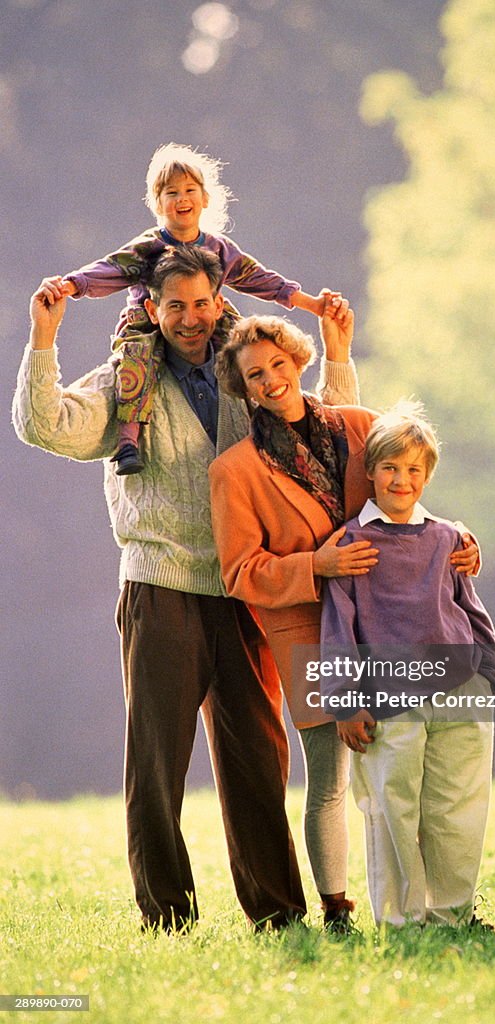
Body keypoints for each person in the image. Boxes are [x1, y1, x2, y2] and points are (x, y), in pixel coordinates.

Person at [12, 245, 358, 934]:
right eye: (176, 306)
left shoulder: (245, 376)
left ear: (219, 300)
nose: (193, 318)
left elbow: (327, 435)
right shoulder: (125, 383)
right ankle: (166, 916)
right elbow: (45, 426)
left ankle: (278, 913)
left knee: (257, 756)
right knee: (156, 759)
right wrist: (43, 340)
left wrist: (337, 352)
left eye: (203, 303)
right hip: (159, 584)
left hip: (242, 592)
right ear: (152, 309)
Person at [209, 316, 481, 932]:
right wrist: (318, 564)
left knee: (418, 779)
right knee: (330, 775)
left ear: (299, 360)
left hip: (390, 622)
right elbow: (240, 571)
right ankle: (338, 909)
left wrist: (461, 537)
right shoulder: (234, 471)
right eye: (256, 374)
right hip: (306, 627)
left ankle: (436, 905)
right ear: (244, 388)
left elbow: (406, 485)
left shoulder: (359, 426)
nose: (271, 380)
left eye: (278, 364)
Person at [35, 142, 342, 476]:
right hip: (147, 324)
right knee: (136, 362)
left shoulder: (217, 248)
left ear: (205, 198)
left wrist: (312, 305)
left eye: (189, 190)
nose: (182, 199)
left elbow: (259, 278)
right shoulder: (148, 247)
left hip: (215, 318)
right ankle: (128, 440)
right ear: (157, 203)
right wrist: (70, 285)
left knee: (246, 351)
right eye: (171, 192)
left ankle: (272, 428)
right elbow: (110, 269)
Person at [319, 403, 495, 928]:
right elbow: (338, 628)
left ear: (427, 475)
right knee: (392, 810)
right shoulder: (351, 543)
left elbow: (469, 608)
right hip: (390, 701)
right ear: (372, 471)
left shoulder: (449, 538)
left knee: (457, 808)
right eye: (391, 468)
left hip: (460, 691)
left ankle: (452, 916)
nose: (402, 480)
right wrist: (346, 700)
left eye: (414, 470)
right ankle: (402, 923)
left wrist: (488, 673)